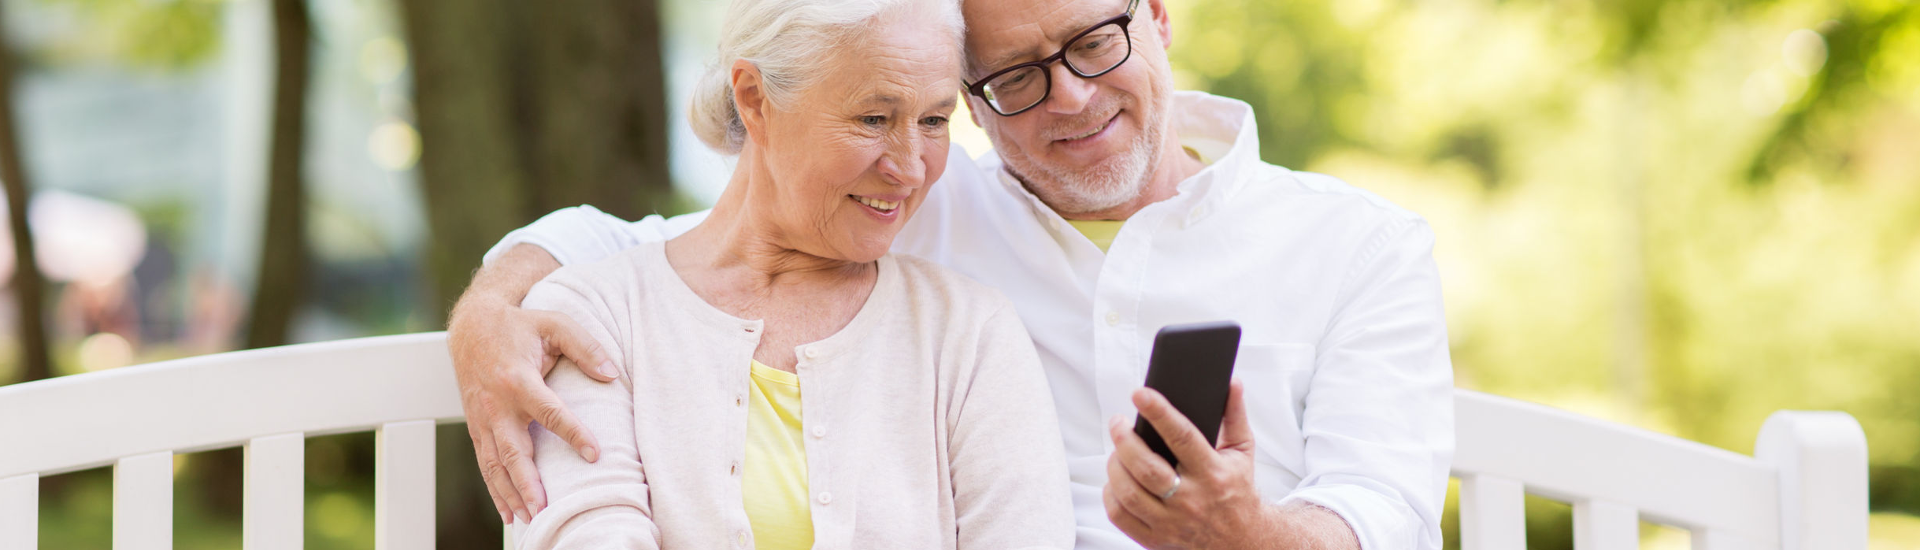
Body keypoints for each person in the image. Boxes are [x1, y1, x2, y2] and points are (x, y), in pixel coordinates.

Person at [452, 0, 1455, 546]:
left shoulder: (1357, 246)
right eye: (1015, 77)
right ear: (970, 99)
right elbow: (637, 249)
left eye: (1095, 41)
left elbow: (1384, 506)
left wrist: (1246, 536)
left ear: (1156, 14)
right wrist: (491, 308)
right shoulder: (908, 206)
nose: (1068, 98)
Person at [495, 0, 1074, 547]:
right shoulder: (596, 314)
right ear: (755, 99)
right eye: (874, 117)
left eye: (933, 119)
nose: (910, 167)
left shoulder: (969, 331)